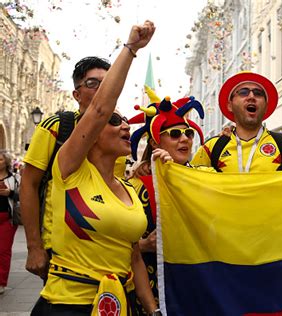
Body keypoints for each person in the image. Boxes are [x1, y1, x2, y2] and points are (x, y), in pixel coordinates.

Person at [31, 21, 158, 315]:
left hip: (120, 306)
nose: (125, 125)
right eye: (113, 121)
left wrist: (153, 311)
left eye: (125, 120)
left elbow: (133, 256)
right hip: (68, 304)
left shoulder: (127, 188)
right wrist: (131, 49)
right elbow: (100, 108)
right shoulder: (70, 169)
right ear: (92, 131)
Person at [21, 56, 112, 281]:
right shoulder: (57, 126)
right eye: (92, 83)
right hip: (62, 250)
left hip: (107, 248)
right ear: (77, 94)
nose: (101, 89)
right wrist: (34, 247)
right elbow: (28, 184)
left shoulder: (118, 130)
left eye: (107, 82)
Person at [127, 94, 206, 315]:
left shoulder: (203, 177)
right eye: (174, 134)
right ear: (154, 142)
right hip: (150, 287)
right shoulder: (134, 186)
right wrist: (143, 245)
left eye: (188, 133)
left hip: (193, 284)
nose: (185, 139)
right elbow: (113, 241)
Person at [191, 72, 282, 171]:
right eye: (243, 92)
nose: (251, 96)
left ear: (265, 106)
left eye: (258, 93)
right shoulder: (212, 148)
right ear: (230, 105)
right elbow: (185, 181)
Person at [0, 151, 19, 295]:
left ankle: (1, 282)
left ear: (6, 162)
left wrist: (10, 193)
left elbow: (23, 194)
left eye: (0, 160)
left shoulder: (15, 178)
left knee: (4, 251)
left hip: (7, 219)